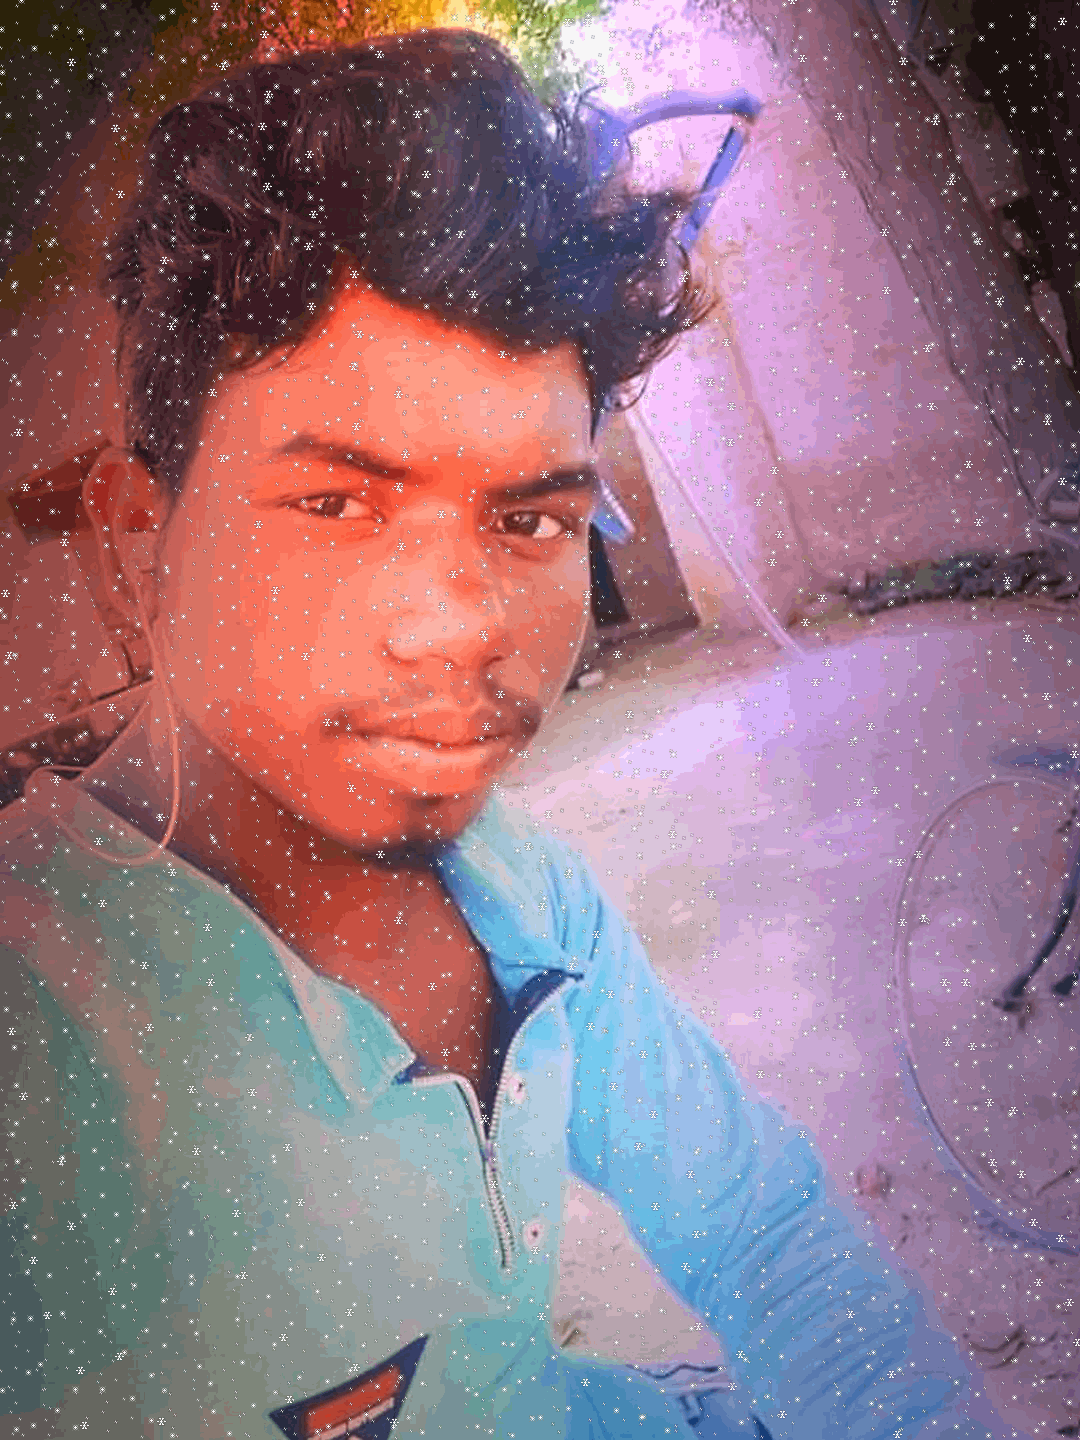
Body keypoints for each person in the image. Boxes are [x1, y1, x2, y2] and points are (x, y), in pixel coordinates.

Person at [0, 28, 1015, 1440]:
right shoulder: (43, 1045)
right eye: (337, 505)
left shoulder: (533, 906)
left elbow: (767, 1241)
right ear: (137, 545)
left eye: (528, 520)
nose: (459, 628)